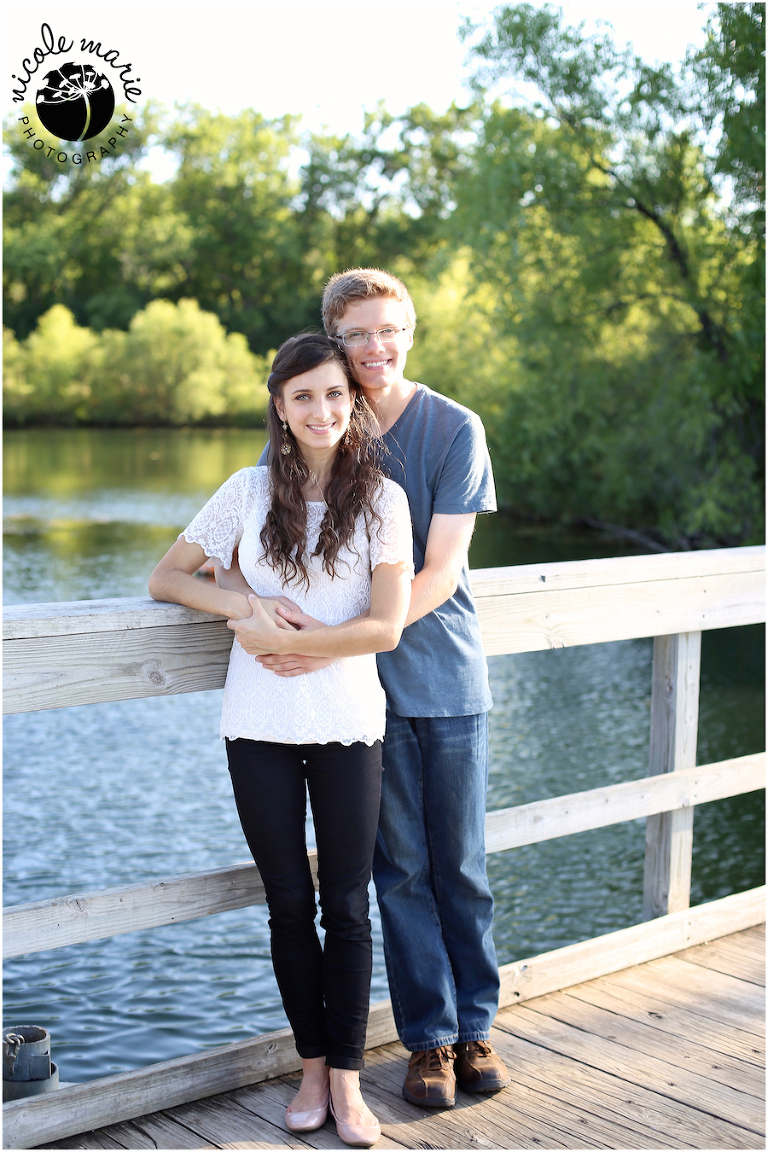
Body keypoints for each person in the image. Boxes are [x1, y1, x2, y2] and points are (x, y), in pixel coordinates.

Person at [228, 269, 509, 1109]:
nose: (375, 348)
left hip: (443, 679)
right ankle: (428, 1041)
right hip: (353, 706)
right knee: (398, 873)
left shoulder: (454, 428)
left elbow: (441, 570)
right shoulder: (321, 425)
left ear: (410, 333)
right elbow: (251, 541)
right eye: (357, 334)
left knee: (461, 866)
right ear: (335, 342)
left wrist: (342, 641)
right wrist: (257, 610)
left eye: (390, 330)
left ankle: (476, 1027)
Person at [148, 332, 414, 1148]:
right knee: (288, 904)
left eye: (334, 394)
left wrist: (311, 646)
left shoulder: (384, 500)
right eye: (303, 396)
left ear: (352, 401)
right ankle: (311, 1068)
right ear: (280, 406)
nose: (321, 410)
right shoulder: (246, 490)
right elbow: (166, 576)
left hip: (347, 724)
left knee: (348, 905)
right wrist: (247, 610)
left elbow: (387, 627)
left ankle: (349, 1081)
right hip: (257, 725)